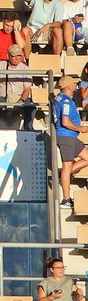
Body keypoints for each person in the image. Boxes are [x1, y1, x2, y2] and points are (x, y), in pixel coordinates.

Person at [52, 77, 88, 206]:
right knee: (67, 165)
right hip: (66, 136)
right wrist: (81, 128)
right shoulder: (66, 101)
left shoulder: (59, 98)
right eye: (73, 83)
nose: (76, 85)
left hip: (71, 137)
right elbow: (65, 121)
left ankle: (62, 174)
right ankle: (66, 199)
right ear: (68, 86)